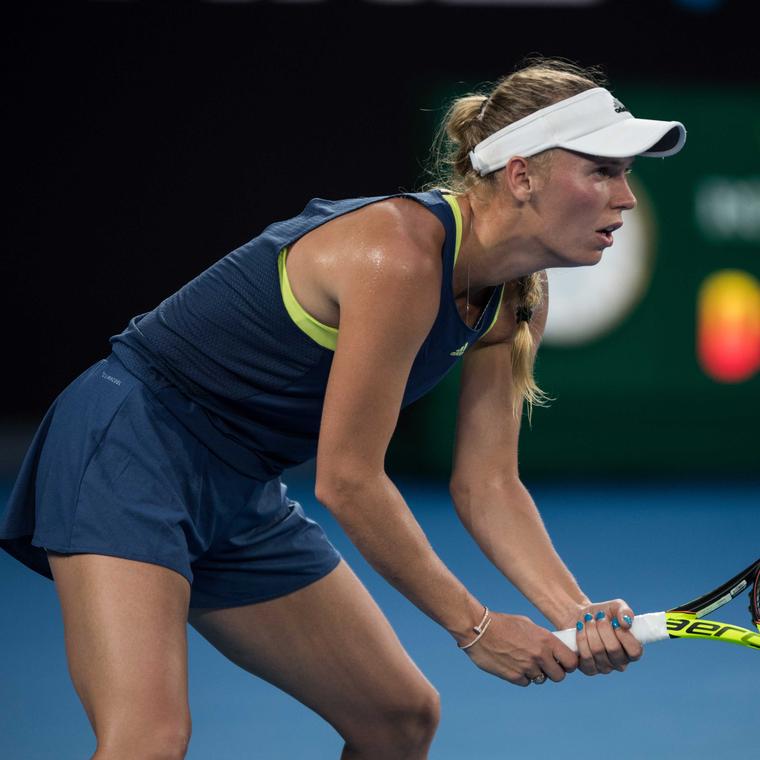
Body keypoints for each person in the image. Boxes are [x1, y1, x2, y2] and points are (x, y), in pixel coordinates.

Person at [0, 57, 686, 760]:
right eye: (603, 170)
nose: (626, 198)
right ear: (520, 176)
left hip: (240, 489)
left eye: (626, 173)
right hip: (128, 448)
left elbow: (487, 484)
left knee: (399, 720)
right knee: (148, 739)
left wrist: (577, 613)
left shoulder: (519, 300)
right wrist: (476, 627)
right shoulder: (398, 255)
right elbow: (348, 480)